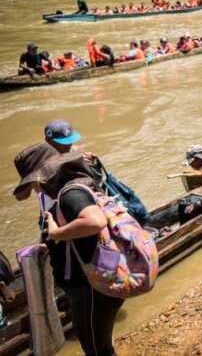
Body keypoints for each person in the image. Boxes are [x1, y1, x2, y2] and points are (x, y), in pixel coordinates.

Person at [13, 147, 124, 356]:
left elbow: (95, 221)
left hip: (90, 285)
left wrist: (56, 234)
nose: (36, 190)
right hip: (92, 280)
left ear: (44, 176)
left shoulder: (70, 193)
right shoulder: (73, 187)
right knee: (95, 340)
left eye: (34, 184)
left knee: (95, 346)